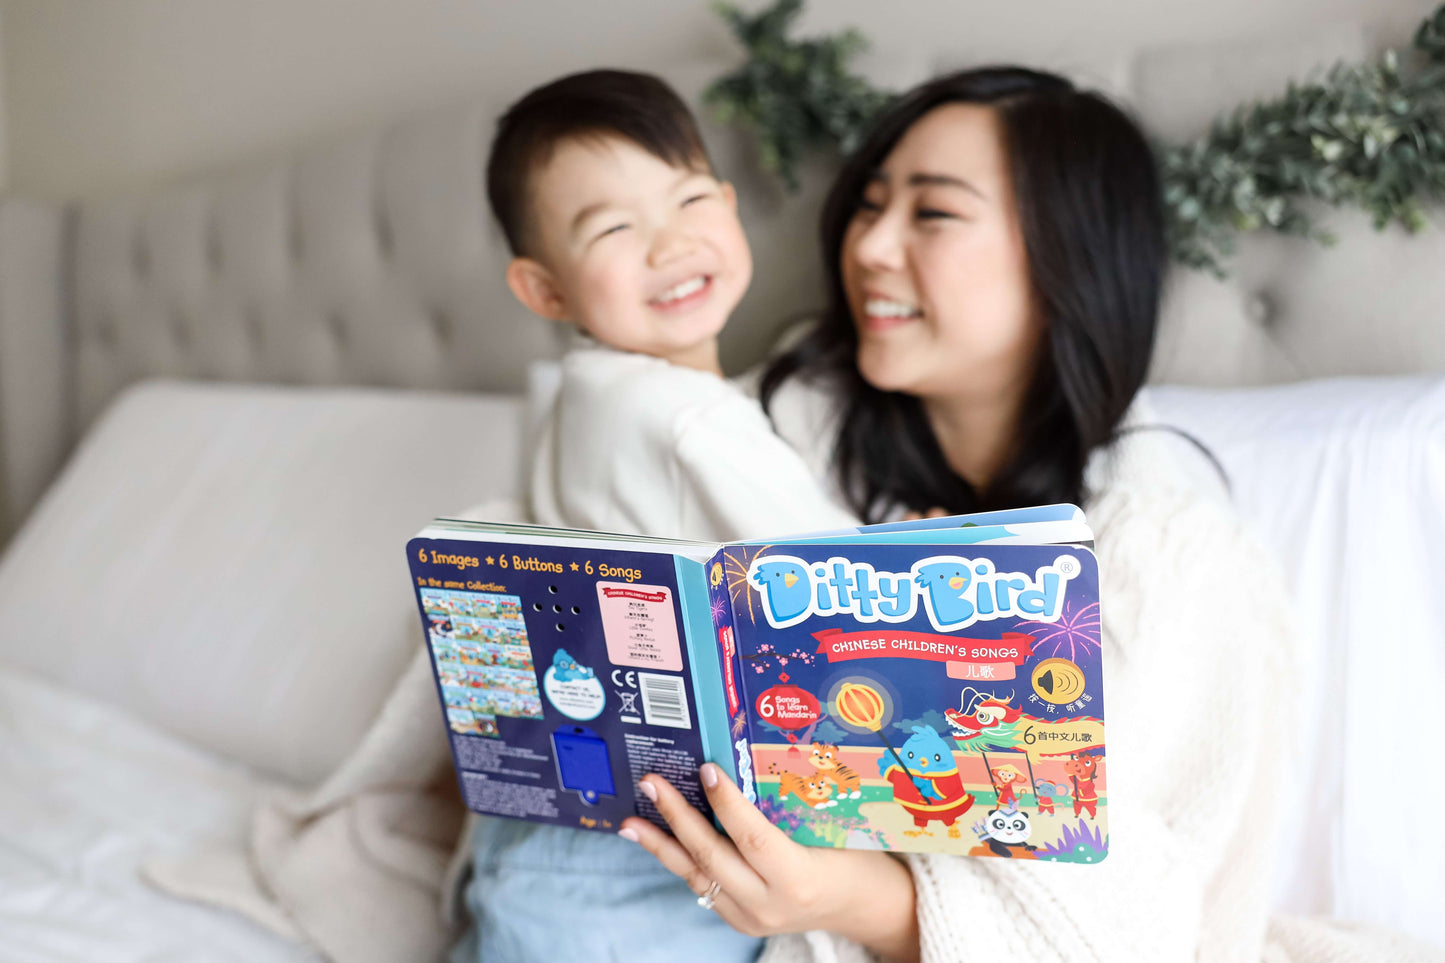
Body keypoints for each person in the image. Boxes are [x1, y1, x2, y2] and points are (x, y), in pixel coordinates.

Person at [617, 66, 1442, 963]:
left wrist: (858, 900)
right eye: (869, 204)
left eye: (931, 214)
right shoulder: (774, 441)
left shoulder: (1163, 559)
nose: (870, 247)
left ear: (1066, 259)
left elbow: (1141, 926)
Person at [454, 68, 857, 963]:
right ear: (544, 289)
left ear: (725, 202)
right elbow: (840, 581)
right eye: (612, 227)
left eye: (685, 200)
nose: (668, 243)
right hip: (644, 857)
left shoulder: (576, 395)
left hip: (549, 823)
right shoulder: (690, 418)